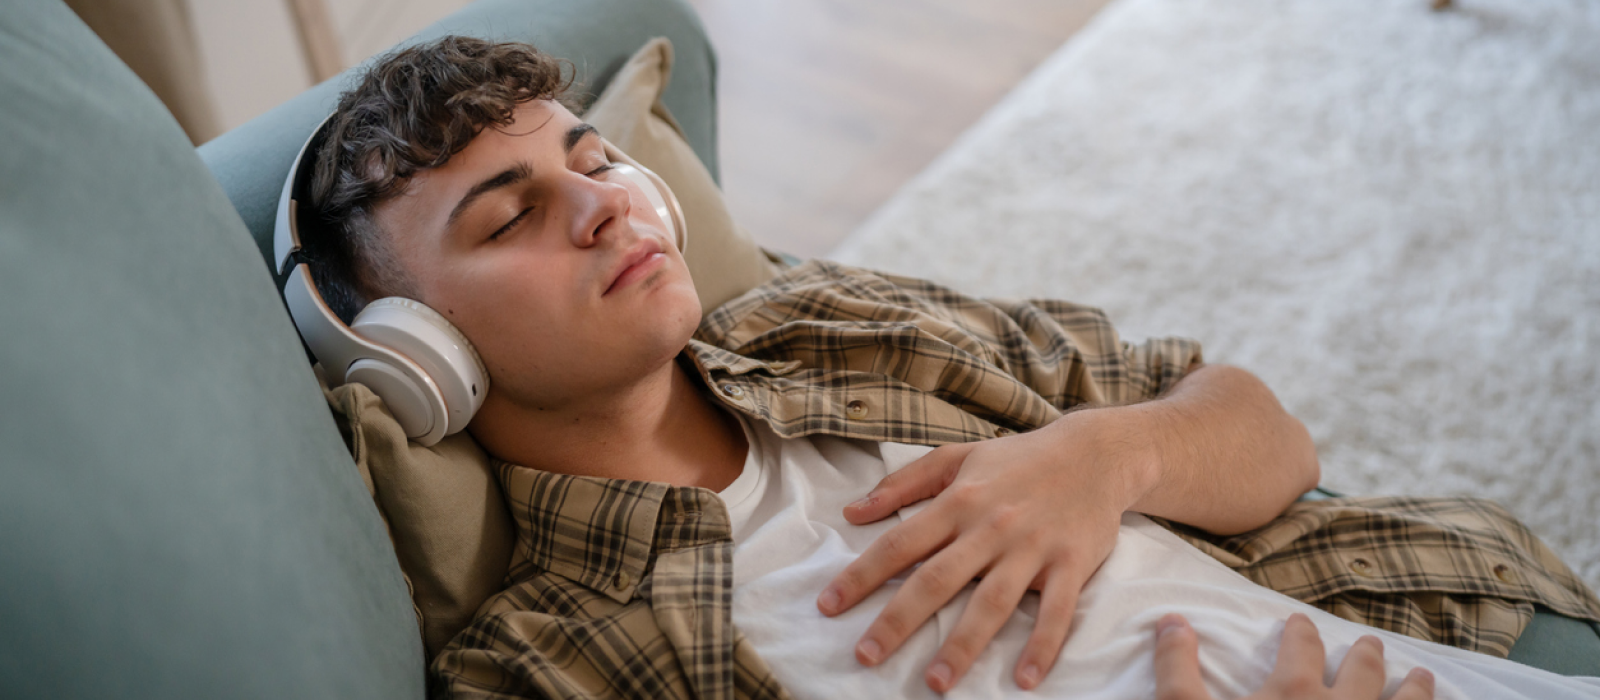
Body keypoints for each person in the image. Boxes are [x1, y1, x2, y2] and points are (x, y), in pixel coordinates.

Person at [288, 37, 1600, 699]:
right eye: (508, 217)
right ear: (420, 357)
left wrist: (1106, 452)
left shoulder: (846, 327)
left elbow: (1266, 436)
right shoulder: (557, 663)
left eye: (589, 157)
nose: (603, 203)